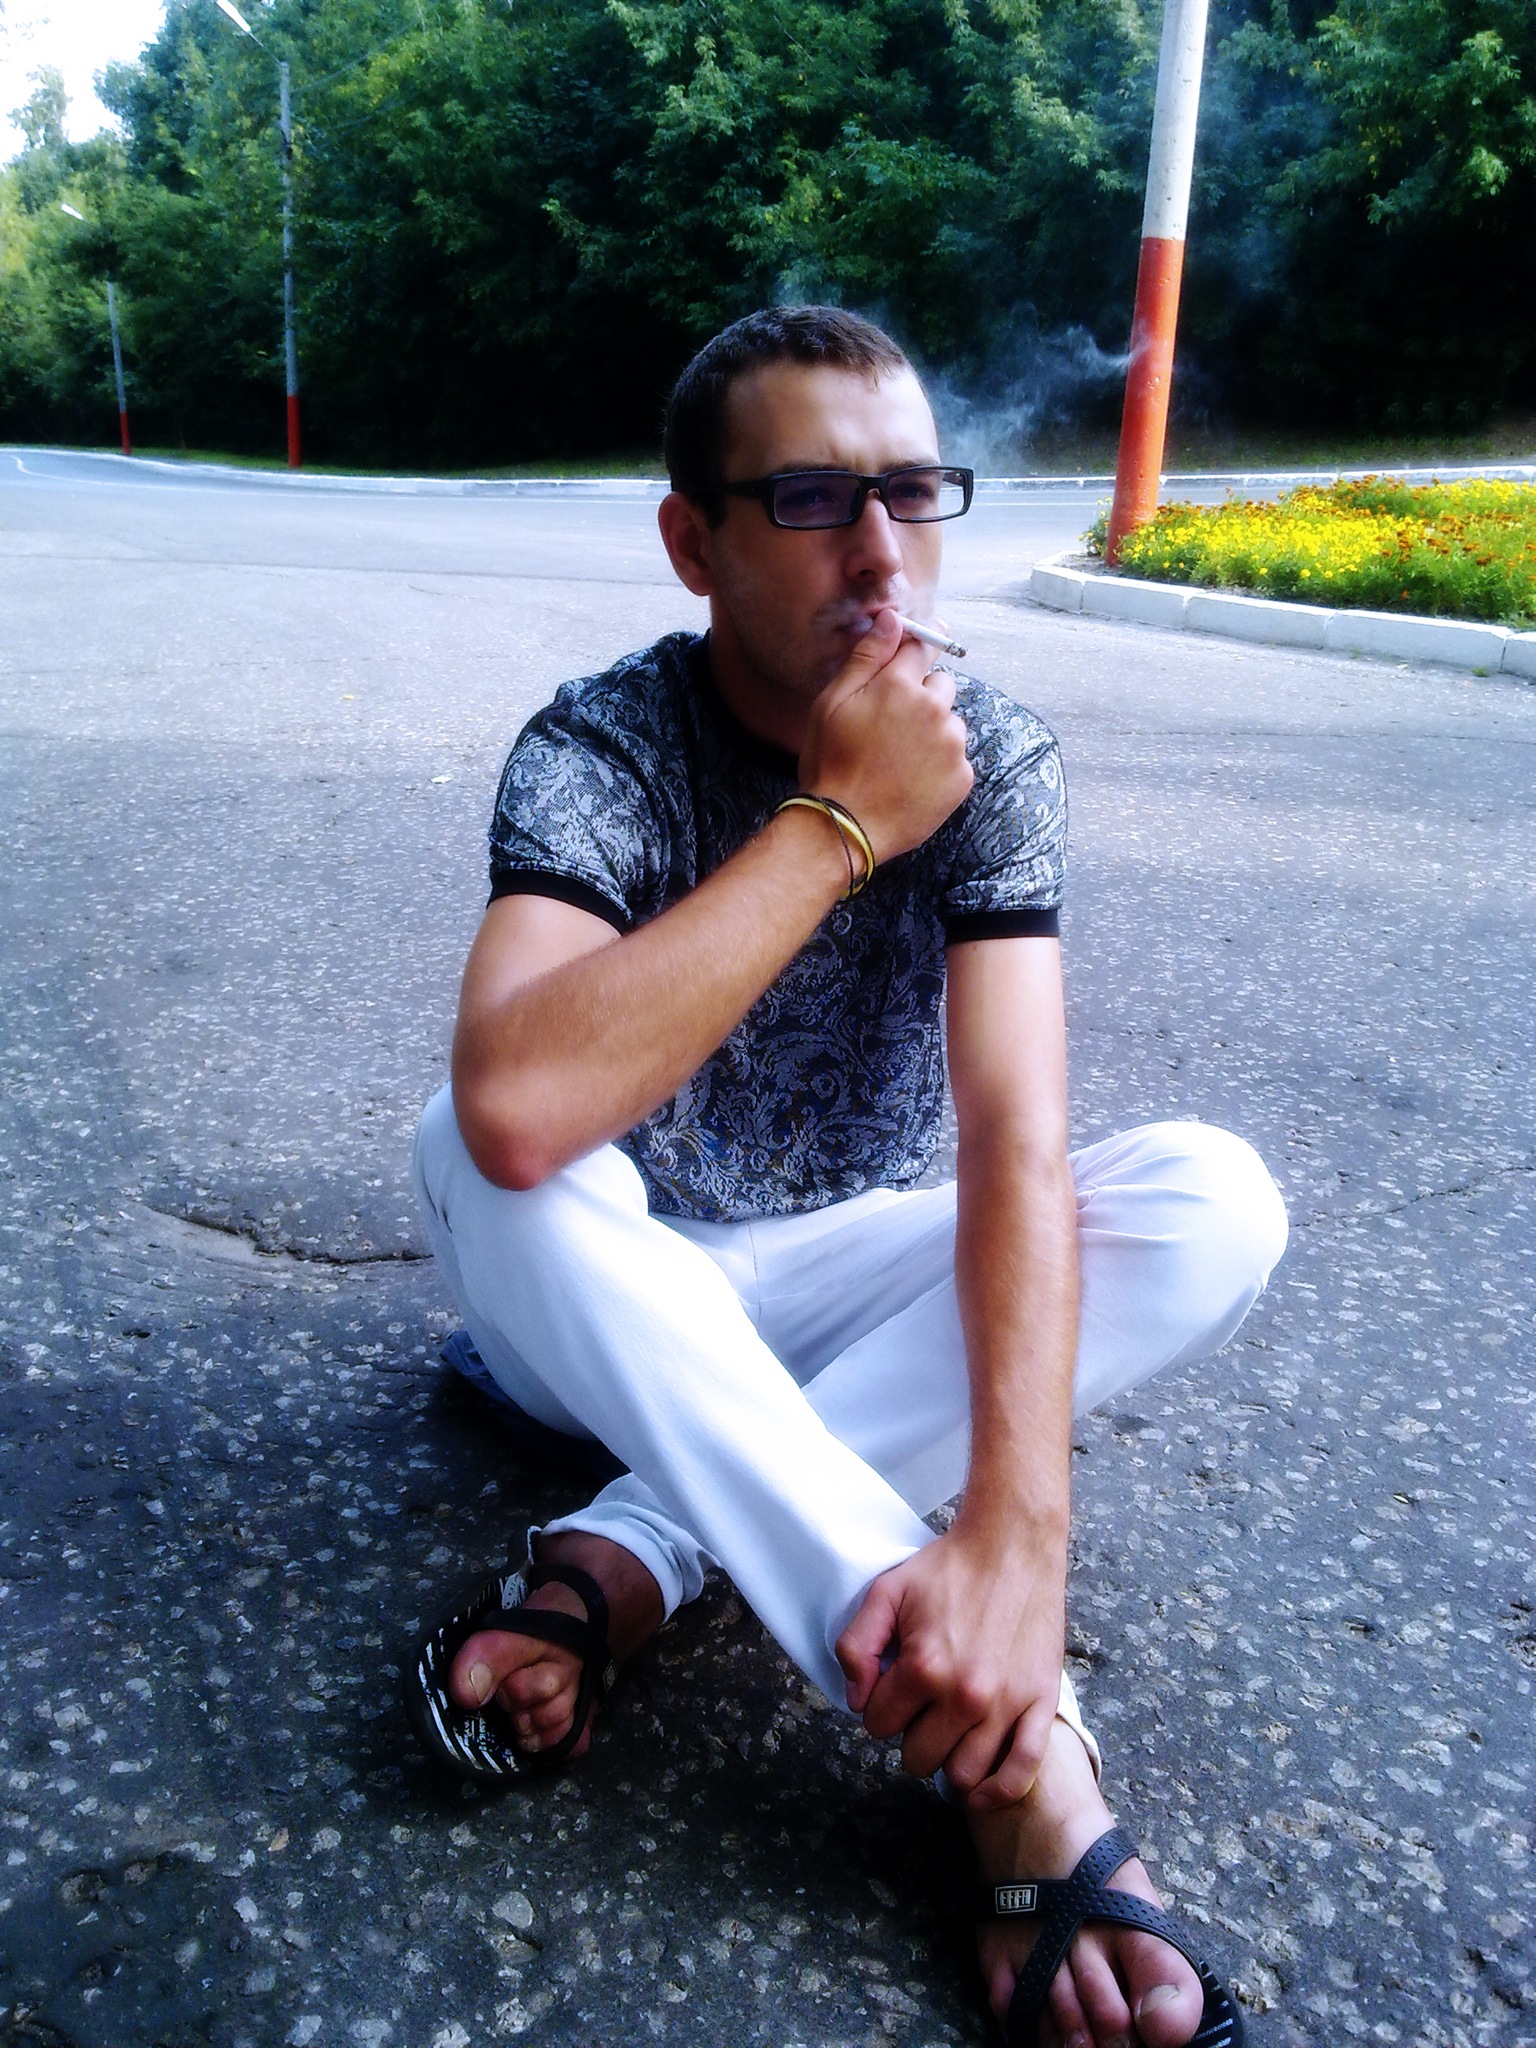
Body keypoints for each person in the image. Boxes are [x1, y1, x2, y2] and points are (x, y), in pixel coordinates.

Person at [406, 305, 1287, 2047]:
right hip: (599, 1295)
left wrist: (1018, 1543)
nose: (882, 551)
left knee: (1213, 1201)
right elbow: (516, 1109)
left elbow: (1017, 1137)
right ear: (694, 543)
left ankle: (638, 1544)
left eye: (913, 492)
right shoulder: (602, 747)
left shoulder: (993, 751)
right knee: (477, 1150)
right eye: (811, 499)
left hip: (841, 1266)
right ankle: (1019, 1766)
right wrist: (840, 824)